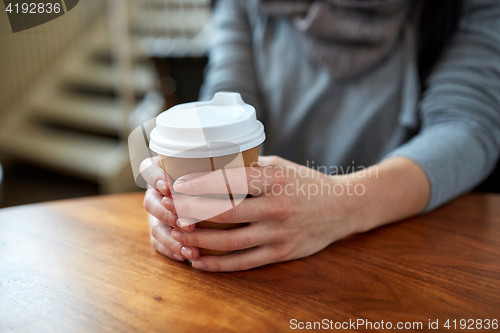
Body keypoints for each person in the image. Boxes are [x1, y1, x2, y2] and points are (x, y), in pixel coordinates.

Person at [141, 0, 500, 272]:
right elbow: (228, 100)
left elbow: (467, 127)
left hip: (404, 255)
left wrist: (344, 204)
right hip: (264, 264)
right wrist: (179, 198)